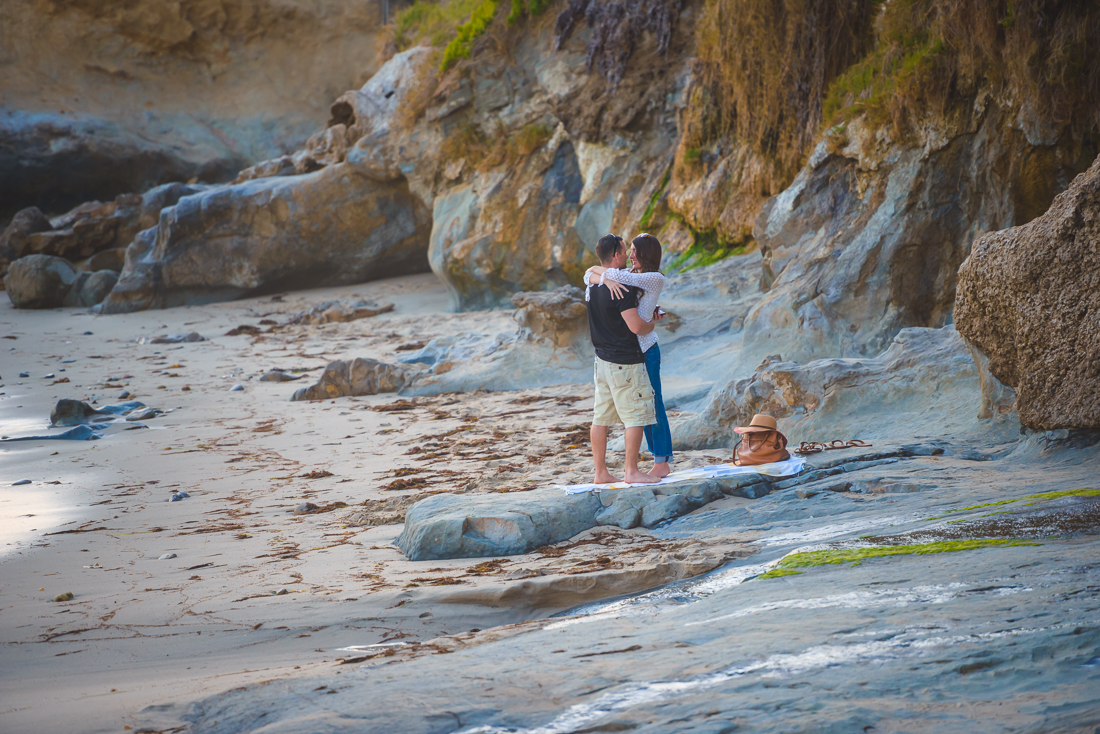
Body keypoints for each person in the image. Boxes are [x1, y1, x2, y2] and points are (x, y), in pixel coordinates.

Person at [584, 233, 672, 478]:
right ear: (616, 255)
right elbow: (596, 273)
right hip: (632, 351)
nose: (630, 255)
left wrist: (601, 275)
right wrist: (602, 275)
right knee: (644, 408)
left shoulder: (653, 278)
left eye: (634, 251)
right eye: (628, 250)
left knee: (653, 406)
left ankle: (662, 460)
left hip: (646, 350)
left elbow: (598, 273)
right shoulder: (630, 277)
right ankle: (652, 463)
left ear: (646, 254)